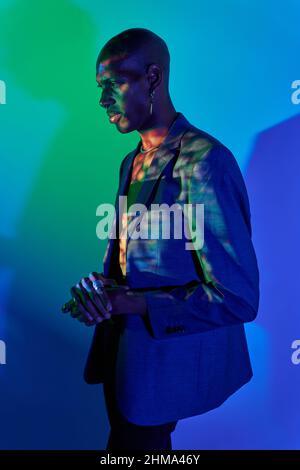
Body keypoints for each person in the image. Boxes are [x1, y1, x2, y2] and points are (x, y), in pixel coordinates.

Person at [68, 28, 260, 451]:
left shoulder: (206, 161)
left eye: (113, 84)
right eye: (100, 87)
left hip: (161, 369)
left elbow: (238, 297)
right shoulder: (130, 160)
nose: (102, 101)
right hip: (121, 358)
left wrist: (134, 303)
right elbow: (134, 263)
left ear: (152, 78)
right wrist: (102, 292)